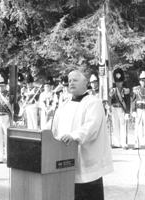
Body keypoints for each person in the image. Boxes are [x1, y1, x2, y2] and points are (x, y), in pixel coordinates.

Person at [52, 70, 113, 200]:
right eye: (69, 81)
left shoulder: (93, 102)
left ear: (85, 83)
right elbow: (54, 128)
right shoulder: (64, 104)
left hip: (88, 163)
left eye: (75, 80)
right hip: (66, 161)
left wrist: (74, 136)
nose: (71, 83)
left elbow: (91, 127)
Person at [109, 68, 130, 149]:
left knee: (123, 125)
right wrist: (109, 108)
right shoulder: (113, 90)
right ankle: (117, 143)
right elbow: (110, 100)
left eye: (120, 82)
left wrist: (127, 112)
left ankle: (124, 143)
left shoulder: (126, 90)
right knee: (115, 125)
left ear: (122, 82)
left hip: (122, 109)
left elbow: (128, 101)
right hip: (114, 108)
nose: (119, 84)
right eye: (117, 82)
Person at [132, 69, 145, 149]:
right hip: (139, 110)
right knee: (138, 127)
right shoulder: (136, 89)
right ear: (139, 81)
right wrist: (133, 110)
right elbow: (133, 100)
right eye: (141, 80)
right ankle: (137, 144)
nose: (143, 81)